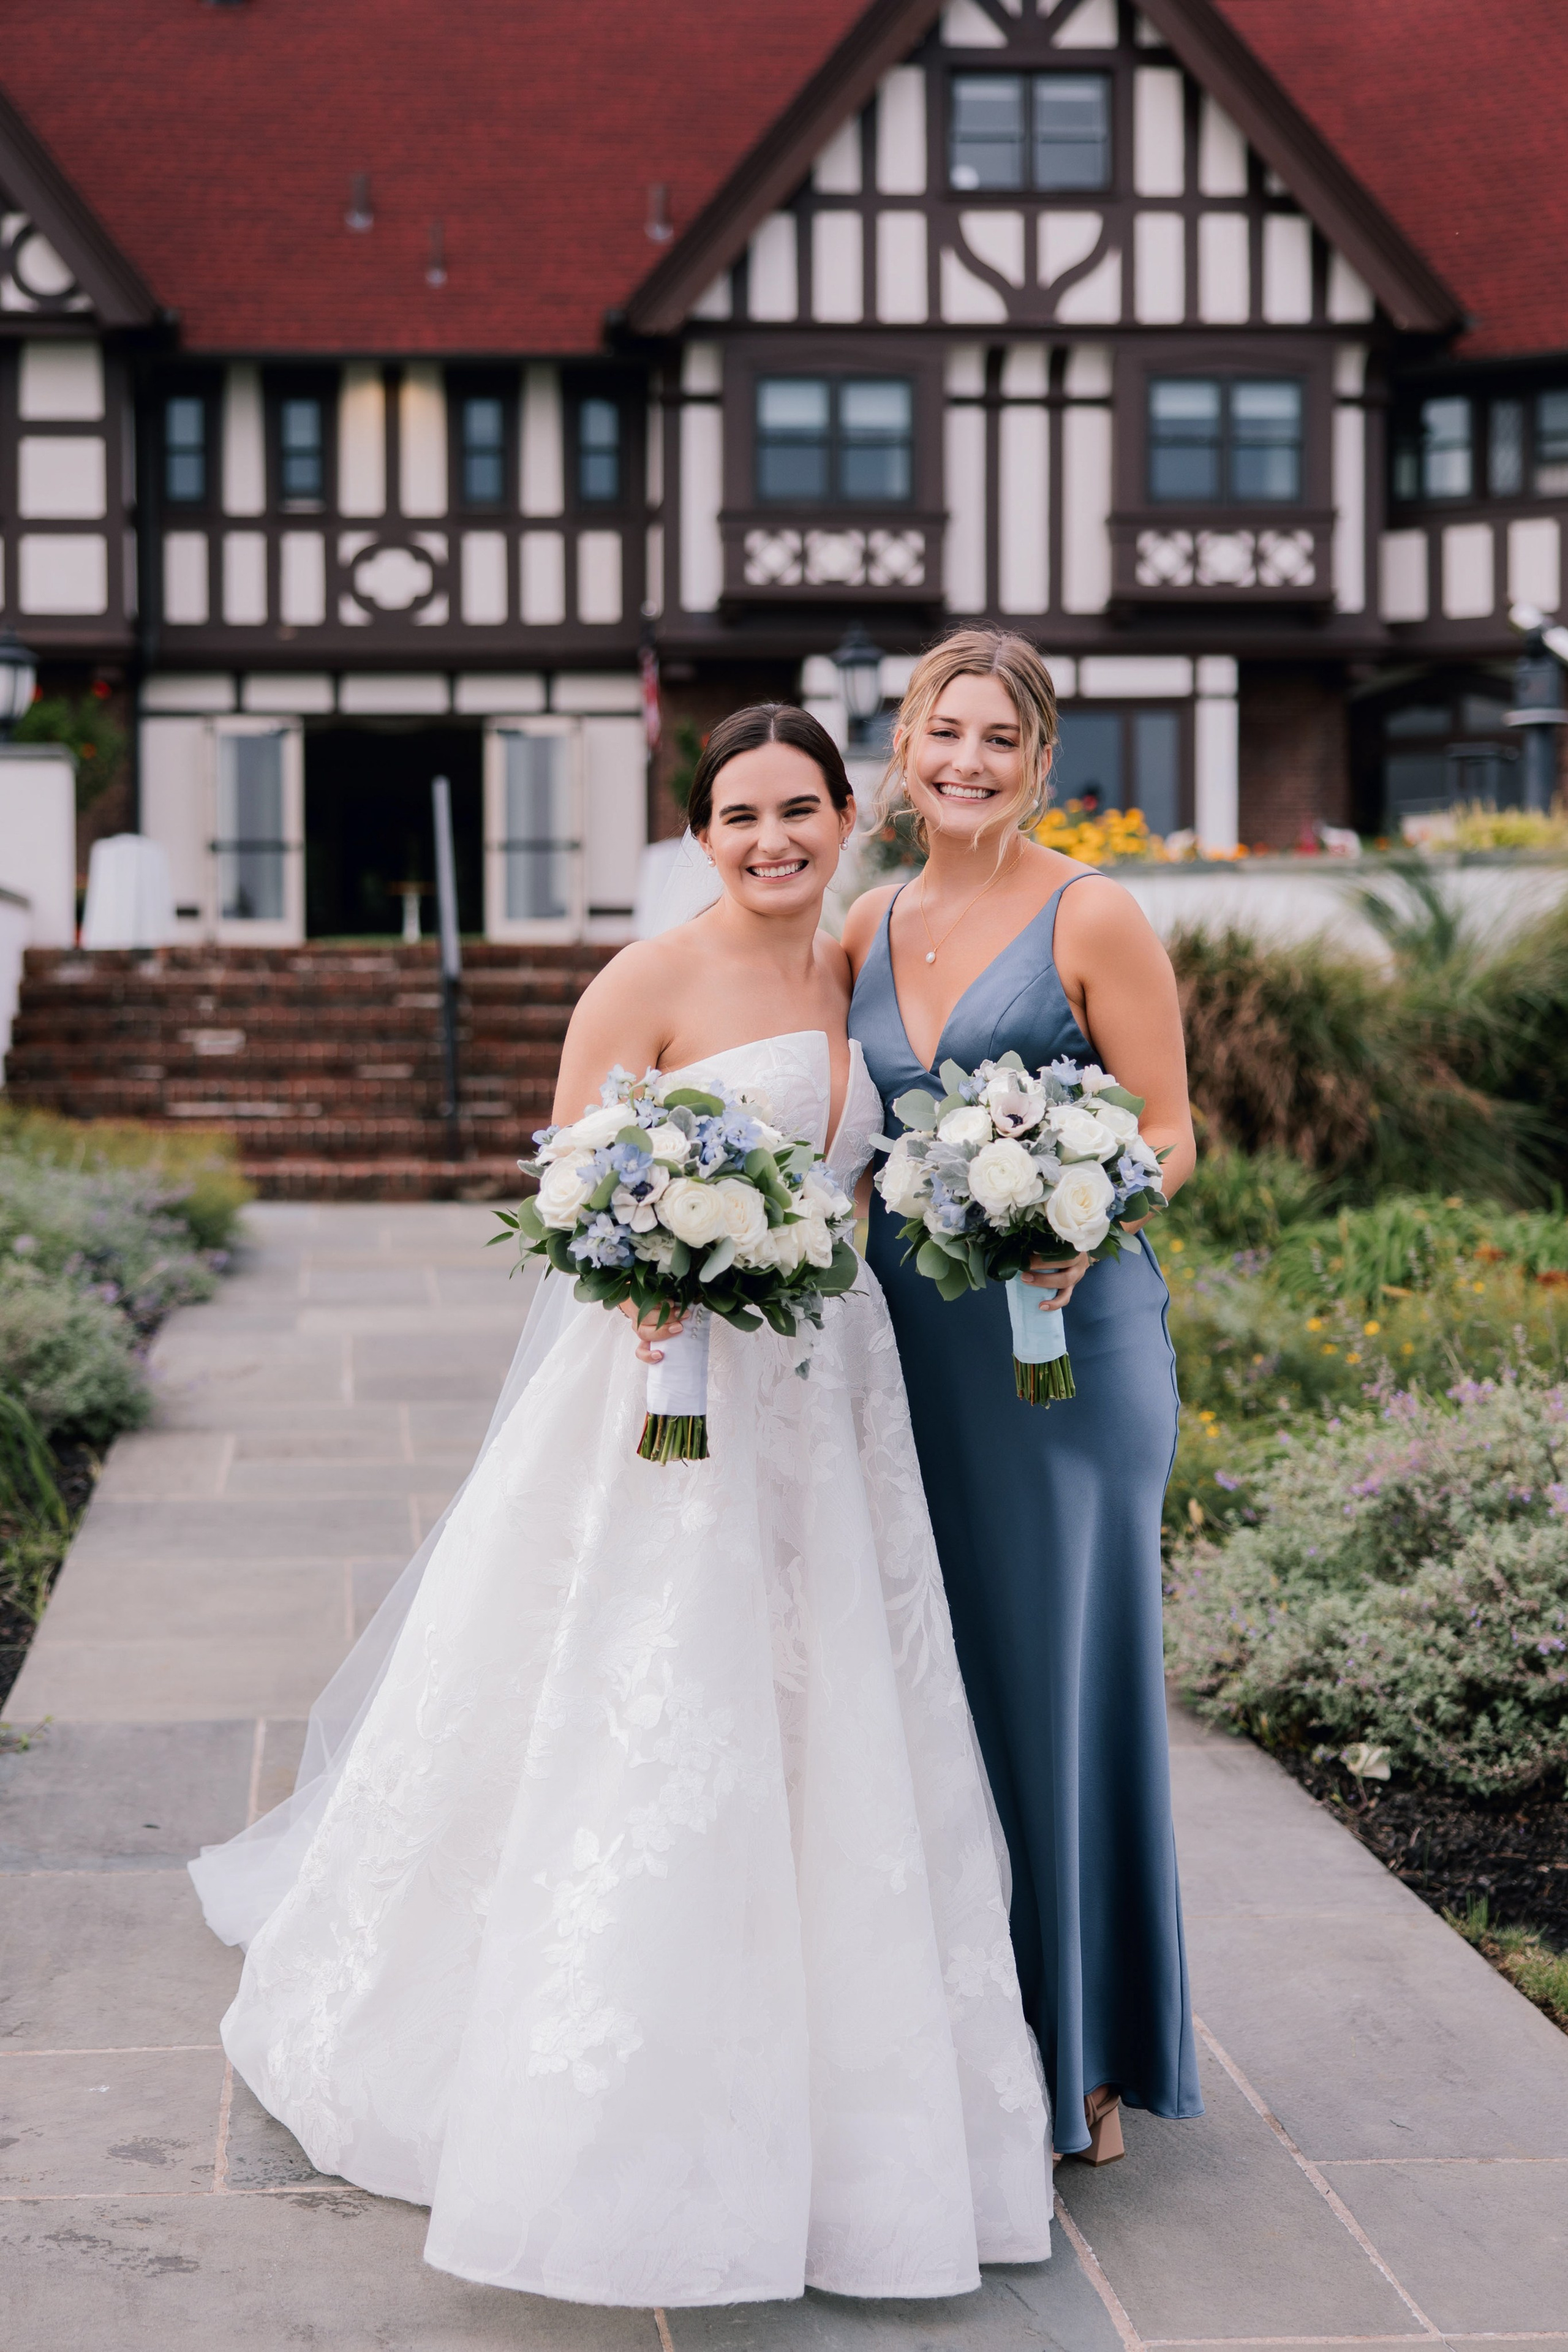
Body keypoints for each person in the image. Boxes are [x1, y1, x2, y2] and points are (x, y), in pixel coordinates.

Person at [189, 704, 1052, 2308]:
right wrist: (643, 1284)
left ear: (842, 811)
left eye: (799, 808)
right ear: (698, 833)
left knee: (837, 1700)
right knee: (653, 1692)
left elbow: (875, 1155)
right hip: (669, 1388)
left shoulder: (855, 963)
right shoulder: (646, 978)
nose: (773, 840)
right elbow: (567, 1179)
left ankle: (847, 2078)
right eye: (740, 817)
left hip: (829, 1379)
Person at [843, 630, 1203, 2165]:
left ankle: (1092, 2052)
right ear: (904, 747)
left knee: (1064, 1687)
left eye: (998, 738)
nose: (967, 762)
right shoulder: (860, 921)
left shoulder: (1090, 911)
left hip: (1070, 1350)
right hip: (912, 1357)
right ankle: (961, 2034)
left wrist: (1089, 1216)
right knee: (941, 1690)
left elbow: (1175, 1130)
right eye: (943, 732)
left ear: (1038, 758)